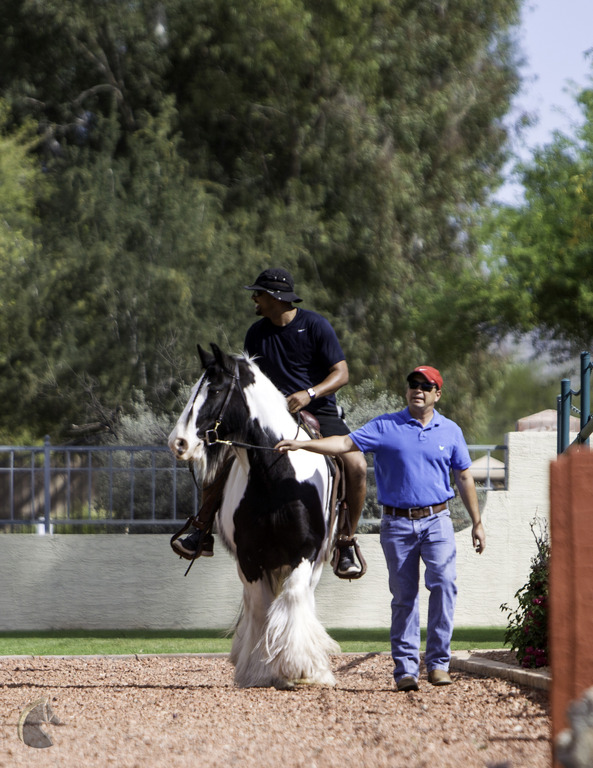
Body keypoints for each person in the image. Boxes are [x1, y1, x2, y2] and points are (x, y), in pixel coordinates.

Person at [275, 365, 486, 691]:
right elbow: (344, 444)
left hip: (438, 520)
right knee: (404, 597)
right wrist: (302, 446)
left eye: (425, 386)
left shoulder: (451, 431)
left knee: (444, 584)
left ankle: (439, 663)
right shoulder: (387, 425)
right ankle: (405, 670)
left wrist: (477, 522)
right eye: (413, 384)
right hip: (397, 524)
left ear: (437, 394)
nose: (418, 389)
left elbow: (464, 477)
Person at [172, 267, 368, 579]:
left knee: (356, 464)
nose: (254, 298)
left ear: (276, 297)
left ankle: (345, 542)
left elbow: (341, 373)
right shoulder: (256, 333)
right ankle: (202, 528)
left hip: (319, 411)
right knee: (219, 460)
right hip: (268, 416)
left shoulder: (315, 325)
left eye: (258, 294)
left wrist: (309, 393)